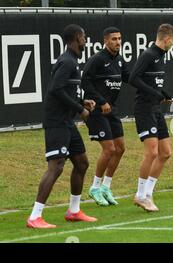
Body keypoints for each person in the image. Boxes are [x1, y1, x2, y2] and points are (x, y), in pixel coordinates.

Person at [27, 24, 97, 228]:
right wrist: (80, 109)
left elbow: (65, 90)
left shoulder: (72, 61)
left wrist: (82, 102)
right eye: (84, 36)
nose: (86, 39)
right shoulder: (67, 61)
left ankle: (74, 211)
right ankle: (34, 216)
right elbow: (55, 90)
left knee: (82, 163)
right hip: (57, 122)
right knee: (56, 166)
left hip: (67, 122)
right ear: (77, 37)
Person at [129, 23, 173, 212]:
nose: (172, 44)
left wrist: (164, 94)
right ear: (166, 39)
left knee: (165, 153)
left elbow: (154, 83)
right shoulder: (148, 54)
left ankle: (148, 194)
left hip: (155, 109)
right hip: (144, 109)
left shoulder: (161, 56)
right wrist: (154, 93)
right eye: (172, 41)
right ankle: (140, 195)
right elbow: (134, 78)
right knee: (152, 153)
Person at [82, 27, 130, 206]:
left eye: (119, 39)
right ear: (105, 41)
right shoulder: (97, 59)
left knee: (120, 148)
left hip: (112, 111)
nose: (118, 42)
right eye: (114, 39)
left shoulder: (119, 60)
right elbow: (85, 82)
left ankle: (106, 187)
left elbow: (129, 77)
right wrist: (101, 101)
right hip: (97, 111)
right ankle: (94, 187)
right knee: (109, 149)